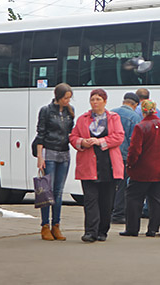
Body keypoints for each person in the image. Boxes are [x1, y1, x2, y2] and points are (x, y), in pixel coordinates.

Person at [70, 89, 125, 243]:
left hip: (108, 165)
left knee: (106, 201)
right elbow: (73, 137)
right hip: (88, 166)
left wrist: (100, 141)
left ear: (105, 101)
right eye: (92, 99)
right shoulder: (82, 119)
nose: (95, 102)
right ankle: (90, 231)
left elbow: (119, 137)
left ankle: (102, 231)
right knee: (90, 200)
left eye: (98, 99)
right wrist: (82, 142)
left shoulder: (114, 118)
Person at [120, 99, 160, 237]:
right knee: (156, 200)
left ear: (143, 111)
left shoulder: (141, 127)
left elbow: (135, 150)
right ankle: (153, 229)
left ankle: (132, 229)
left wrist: (130, 165)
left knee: (134, 199)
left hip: (141, 171)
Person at [35, 83, 75, 241]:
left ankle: (56, 225)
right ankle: (45, 226)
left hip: (64, 153)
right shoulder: (46, 111)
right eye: (66, 98)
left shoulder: (70, 112)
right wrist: (40, 156)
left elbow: (71, 132)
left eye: (69, 98)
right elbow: (41, 133)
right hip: (49, 152)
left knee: (58, 192)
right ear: (58, 97)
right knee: (46, 191)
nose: (68, 101)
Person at [110, 92, 142, 224]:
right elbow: (134, 140)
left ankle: (107, 211)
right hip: (124, 157)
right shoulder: (135, 118)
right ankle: (118, 214)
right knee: (122, 186)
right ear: (135, 105)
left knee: (109, 185)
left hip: (109, 155)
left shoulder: (111, 113)